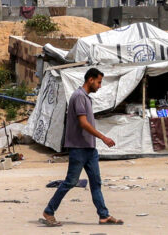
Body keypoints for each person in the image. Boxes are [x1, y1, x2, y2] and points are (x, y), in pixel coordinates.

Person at [40, 67, 124, 227]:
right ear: (90, 80)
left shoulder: (85, 98)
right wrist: (103, 137)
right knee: (70, 181)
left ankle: (104, 215)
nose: (99, 86)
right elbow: (83, 123)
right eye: (98, 82)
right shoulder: (79, 96)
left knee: (96, 182)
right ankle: (49, 211)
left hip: (89, 149)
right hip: (79, 148)